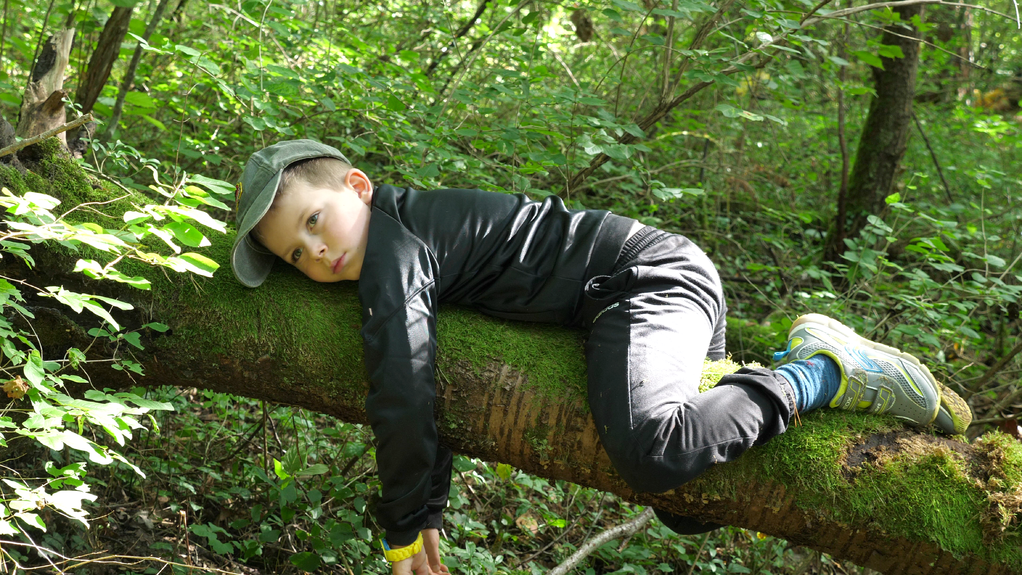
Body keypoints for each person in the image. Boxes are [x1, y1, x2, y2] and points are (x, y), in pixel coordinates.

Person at [229, 139, 965, 575]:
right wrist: (428, 508)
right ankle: (788, 375)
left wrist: (399, 530)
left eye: (316, 221)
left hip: (647, 280)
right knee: (686, 505)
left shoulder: (391, 243)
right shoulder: (398, 239)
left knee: (652, 449)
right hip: (640, 291)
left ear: (357, 186)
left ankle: (824, 370)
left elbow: (400, 384)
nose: (320, 252)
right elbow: (422, 370)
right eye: (298, 254)